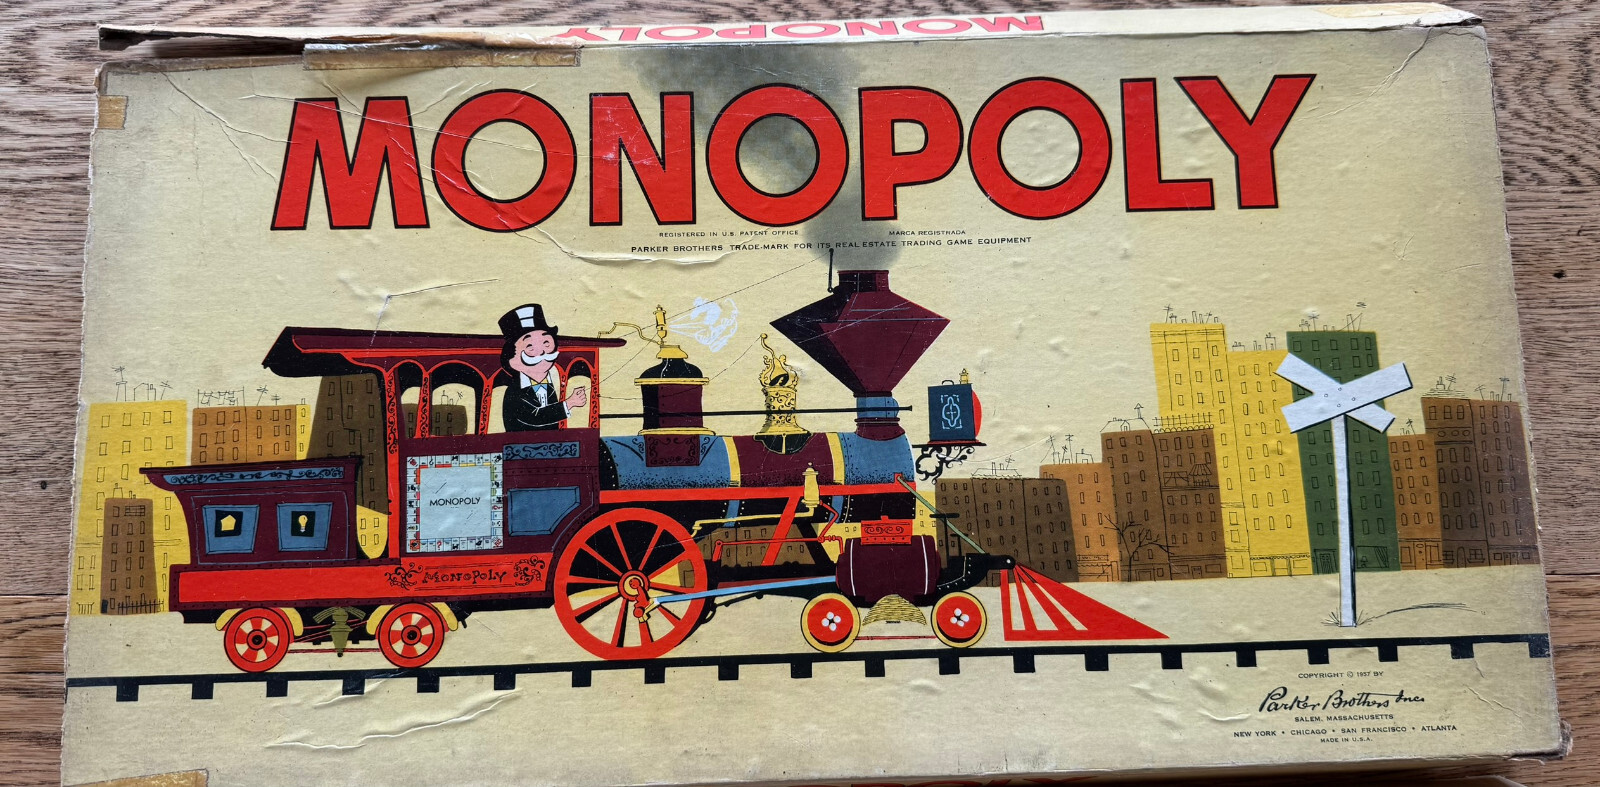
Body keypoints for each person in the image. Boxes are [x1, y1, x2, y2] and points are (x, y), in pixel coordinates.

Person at [498, 304, 588, 431]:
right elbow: (534, 417)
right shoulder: (514, 391)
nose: (541, 352)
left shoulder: (550, 385)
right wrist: (569, 403)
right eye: (530, 347)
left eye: (546, 343)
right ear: (512, 360)